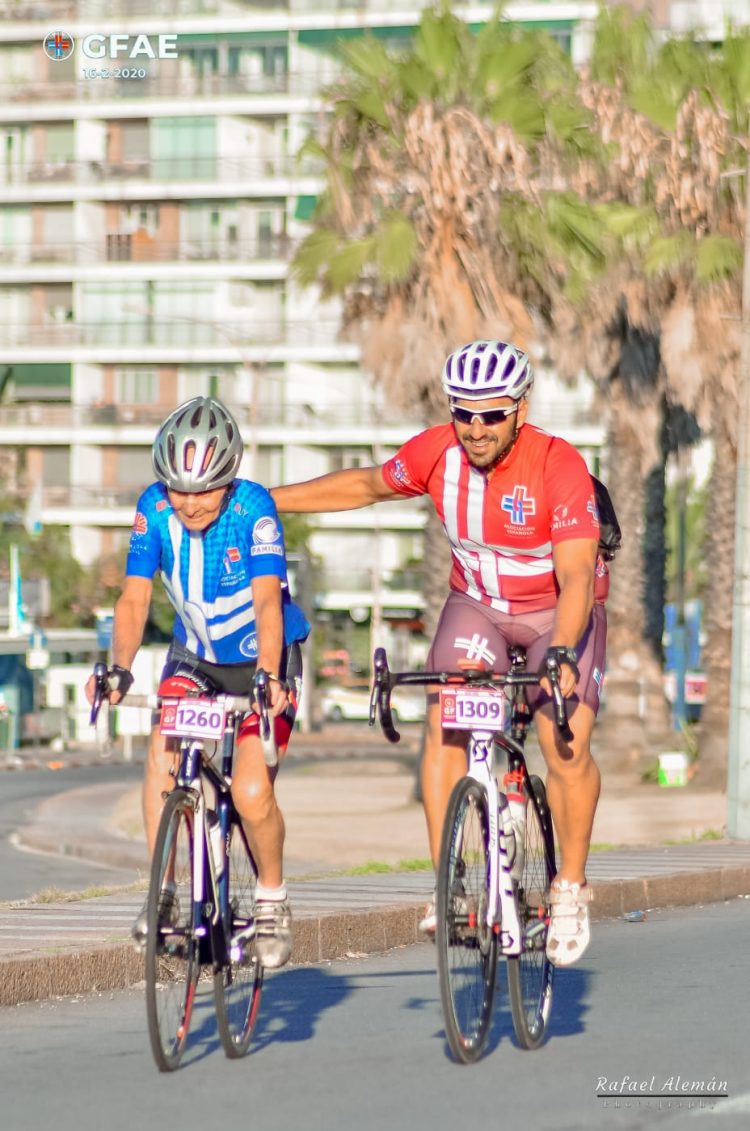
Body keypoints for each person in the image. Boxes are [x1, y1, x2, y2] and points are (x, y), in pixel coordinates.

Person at [272, 340, 607, 967]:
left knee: (565, 742)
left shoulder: (558, 466)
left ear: (520, 410)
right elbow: (365, 486)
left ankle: (569, 887)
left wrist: (561, 650)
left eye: (492, 414)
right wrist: (262, 498)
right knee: (443, 723)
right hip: (476, 603)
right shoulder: (437, 454)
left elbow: (580, 575)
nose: (476, 428)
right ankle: (450, 883)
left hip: (552, 611)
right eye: (464, 413)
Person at [85, 395, 310, 969]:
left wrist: (267, 675)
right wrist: (120, 666)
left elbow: (266, 601)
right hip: (194, 658)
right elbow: (135, 596)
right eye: (178, 488)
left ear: (229, 478)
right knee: (162, 753)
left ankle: (272, 900)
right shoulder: (153, 509)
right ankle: (162, 894)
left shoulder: (253, 508)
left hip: (266, 657)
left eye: (204, 488)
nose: (189, 502)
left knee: (252, 791)